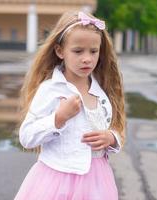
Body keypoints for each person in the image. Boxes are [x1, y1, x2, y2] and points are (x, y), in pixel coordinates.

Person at [14, 10, 125, 200]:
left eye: (93, 51)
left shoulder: (102, 92)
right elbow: (26, 137)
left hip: (97, 182)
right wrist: (58, 118)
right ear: (60, 51)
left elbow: (116, 129)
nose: (87, 58)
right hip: (56, 181)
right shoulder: (50, 90)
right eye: (78, 51)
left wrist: (111, 138)